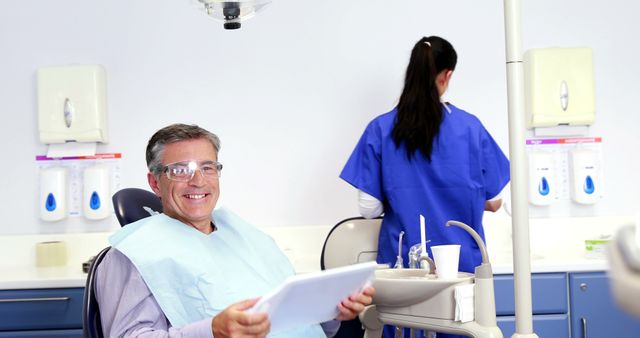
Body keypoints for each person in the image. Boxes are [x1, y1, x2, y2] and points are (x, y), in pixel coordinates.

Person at [96, 123, 375, 338]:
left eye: (208, 167)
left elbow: (294, 324)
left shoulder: (242, 236)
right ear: (155, 183)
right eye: (181, 170)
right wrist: (212, 331)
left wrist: (331, 311)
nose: (198, 181)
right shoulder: (135, 255)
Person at [340, 36, 510, 338]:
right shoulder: (470, 128)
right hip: (461, 272)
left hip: (403, 275)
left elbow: (368, 209)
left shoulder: (380, 128)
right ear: (446, 76)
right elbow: (495, 199)